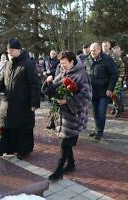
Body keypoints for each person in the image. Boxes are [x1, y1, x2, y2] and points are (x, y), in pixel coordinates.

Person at [42, 51, 91, 181]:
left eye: (64, 63)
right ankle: (71, 164)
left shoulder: (82, 75)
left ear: (72, 62)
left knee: (64, 143)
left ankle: (58, 170)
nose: (62, 66)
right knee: (66, 141)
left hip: (73, 116)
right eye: (61, 63)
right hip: (62, 115)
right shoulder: (63, 73)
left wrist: (68, 101)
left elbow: (86, 97)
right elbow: (51, 90)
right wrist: (48, 82)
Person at [0, 38, 40, 159]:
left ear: (19, 50)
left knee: (22, 128)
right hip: (8, 103)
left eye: (11, 50)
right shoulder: (7, 64)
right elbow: (2, 81)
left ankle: (23, 151)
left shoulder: (28, 64)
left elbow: (34, 84)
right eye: (8, 51)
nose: (9, 53)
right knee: (6, 126)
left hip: (23, 104)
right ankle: (3, 148)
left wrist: (34, 103)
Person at [85, 42, 118, 140]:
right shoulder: (87, 59)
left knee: (101, 111)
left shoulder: (107, 60)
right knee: (95, 112)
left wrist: (110, 89)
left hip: (104, 91)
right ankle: (96, 129)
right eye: (91, 51)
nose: (92, 52)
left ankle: (100, 131)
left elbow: (114, 75)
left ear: (99, 50)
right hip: (92, 91)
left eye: (94, 50)